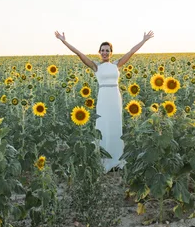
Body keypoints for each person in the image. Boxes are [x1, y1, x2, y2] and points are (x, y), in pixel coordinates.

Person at [55, 31, 154, 172]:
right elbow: (79, 53)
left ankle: (116, 160)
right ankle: (104, 160)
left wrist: (144, 40)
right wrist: (63, 41)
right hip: (103, 98)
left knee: (115, 126)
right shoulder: (96, 66)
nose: (105, 53)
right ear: (99, 52)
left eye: (107, 50)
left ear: (111, 52)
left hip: (115, 97)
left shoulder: (116, 64)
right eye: (102, 50)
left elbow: (131, 51)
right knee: (103, 126)